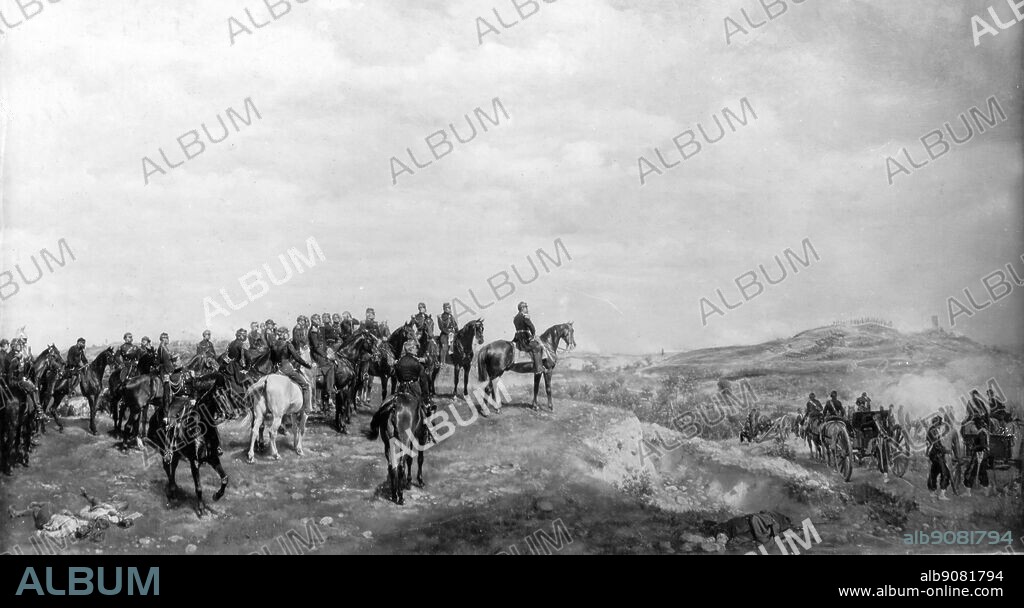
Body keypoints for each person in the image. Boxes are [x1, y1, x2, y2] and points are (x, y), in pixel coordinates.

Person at [270, 326, 312, 412]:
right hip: (287, 369)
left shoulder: (273, 344)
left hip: (276, 370)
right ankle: (307, 407)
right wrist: (307, 365)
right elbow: (296, 357)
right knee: (305, 385)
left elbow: (272, 359)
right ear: (283, 334)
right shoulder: (287, 344)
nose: (288, 335)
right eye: (286, 333)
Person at [308, 315, 336, 408]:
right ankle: (329, 390)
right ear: (313, 320)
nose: (319, 320)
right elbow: (316, 347)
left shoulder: (318, 328)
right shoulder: (313, 330)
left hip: (321, 351)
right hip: (316, 354)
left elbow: (323, 341)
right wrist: (325, 355)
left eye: (319, 319)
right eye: (316, 319)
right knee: (330, 366)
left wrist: (327, 349)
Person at [513, 301, 544, 374]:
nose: (527, 309)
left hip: (518, 337)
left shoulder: (515, 318)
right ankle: (538, 369)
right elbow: (531, 326)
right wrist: (533, 334)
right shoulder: (525, 316)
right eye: (526, 307)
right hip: (524, 337)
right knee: (537, 347)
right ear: (522, 308)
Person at [926, 415, 952, 501]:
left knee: (934, 472)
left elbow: (938, 444)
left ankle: (932, 491)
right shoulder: (933, 431)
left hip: (935, 454)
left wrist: (944, 449)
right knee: (945, 473)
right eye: (939, 424)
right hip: (936, 455)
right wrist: (945, 451)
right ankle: (941, 494)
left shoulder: (933, 430)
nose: (940, 426)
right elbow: (937, 445)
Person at [964, 422, 992, 498]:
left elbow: (982, 445)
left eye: (974, 425)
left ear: (978, 425)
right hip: (982, 455)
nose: (973, 427)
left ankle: (968, 492)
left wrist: (973, 447)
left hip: (979, 455)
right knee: (982, 472)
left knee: (970, 471)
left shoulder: (981, 433)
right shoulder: (984, 432)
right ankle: (986, 490)